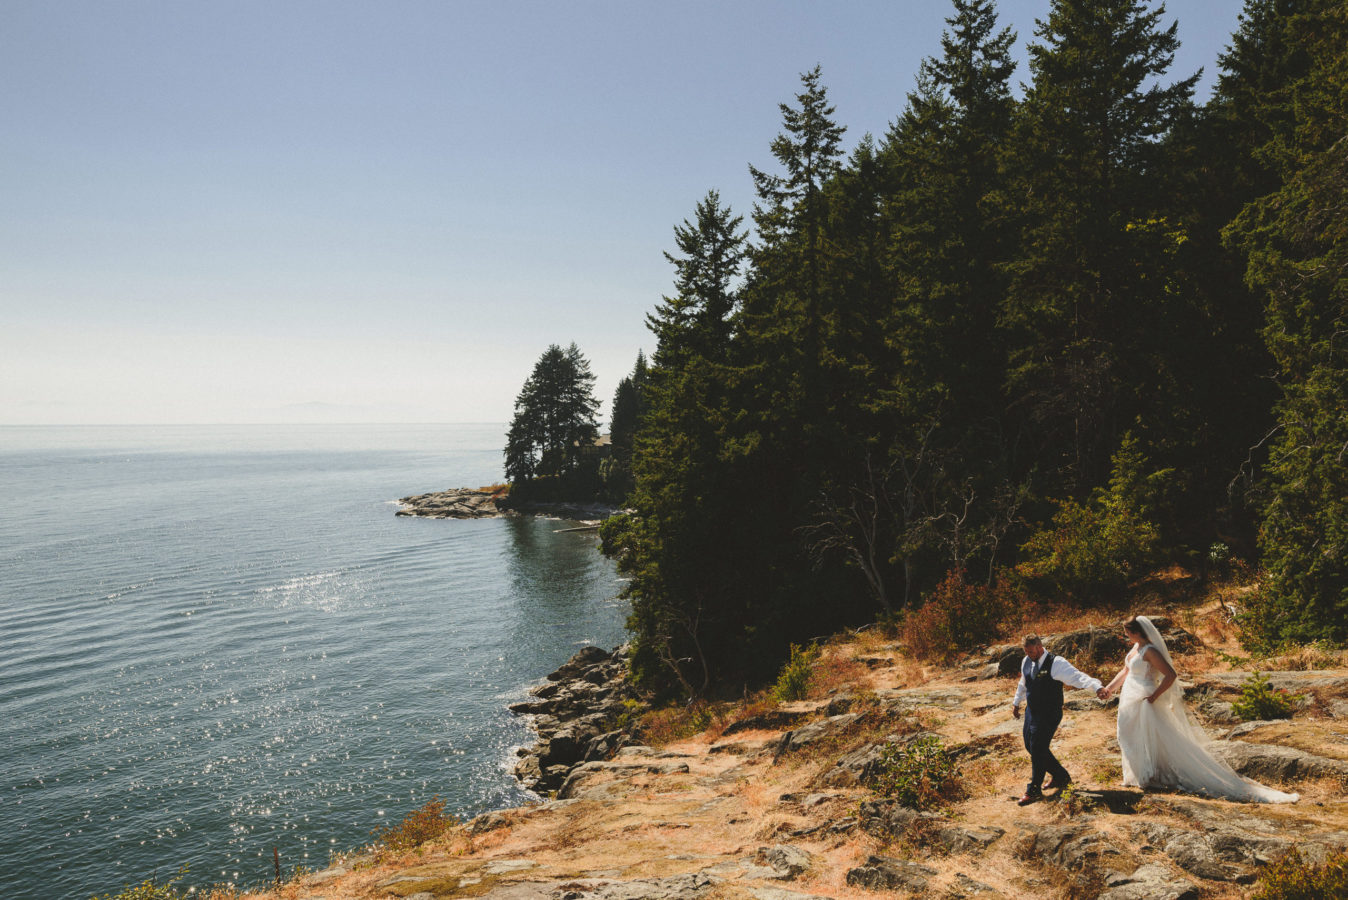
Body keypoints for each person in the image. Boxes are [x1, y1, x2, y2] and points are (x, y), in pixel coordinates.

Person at [1100, 615, 1298, 803]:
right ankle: (1135, 775)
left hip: (1145, 700)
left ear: (1138, 632)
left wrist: (1154, 695)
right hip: (1129, 697)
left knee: (1150, 737)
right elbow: (1125, 671)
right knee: (1128, 735)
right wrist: (1109, 688)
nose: (1126, 635)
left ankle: (1146, 777)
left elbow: (1170, 675)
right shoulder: (1135, 648)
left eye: (1128, 632)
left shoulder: (1150, 651)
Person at [1011, 634, 1107, 806]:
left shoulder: (1056, 663)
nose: (1029, 654)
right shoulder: (1026, 660)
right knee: (1029, 745)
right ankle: (1061, 776)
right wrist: (1016, 703)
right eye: (1026, 651)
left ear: (1040, 647)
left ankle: (1033, 790)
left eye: (1031, 651)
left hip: (1049, 713)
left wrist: (1097, 687)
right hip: (1032, 711)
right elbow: (1024, 682)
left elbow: (1078, 677)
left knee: (1038, 747)